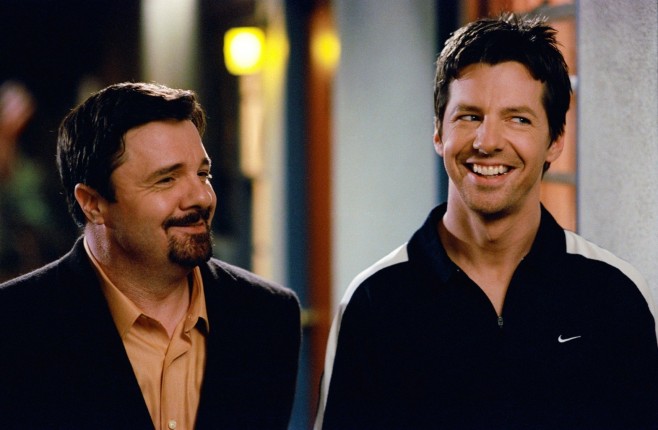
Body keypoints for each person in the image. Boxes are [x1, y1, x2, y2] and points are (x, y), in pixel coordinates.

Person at [314, 13, 658, 430]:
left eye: (518, 118)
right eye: (469, 116)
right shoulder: (374, 302)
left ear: (555, 141)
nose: (488, 142)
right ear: (438, 132)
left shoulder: (614, 294)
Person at [0, 82, 301, 429]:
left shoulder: (268, 317)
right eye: (166, 180)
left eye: (203, 174)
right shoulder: (16, 326)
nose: (201, 198)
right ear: (93, 203)